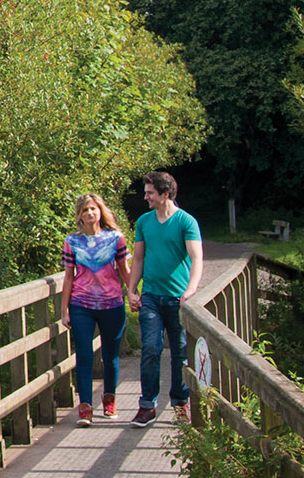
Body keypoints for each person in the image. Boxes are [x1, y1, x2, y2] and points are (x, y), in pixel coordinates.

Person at [126, 169, 203, 427]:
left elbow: (197, 258)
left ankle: (180, 402)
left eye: (150, 193)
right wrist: (131, 289)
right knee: (150, 348)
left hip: (177, 299)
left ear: (165, 194)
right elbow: (138, 258)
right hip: (151, 296)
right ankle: (147, 405)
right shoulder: (144, 222)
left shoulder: (186, 222)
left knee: (180, 352)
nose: (145, 197)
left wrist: (191, 289)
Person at [62, 193, 128, 425]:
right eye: (85, 210)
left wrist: (134, 293)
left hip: (112, 304)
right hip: (81, 304)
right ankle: (85, 408)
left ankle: (109, 400)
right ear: (80, 215)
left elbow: (125, 269)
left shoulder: (115, 238)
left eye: (93, 209)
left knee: (110, 356)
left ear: (100, 211)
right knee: (84, 356)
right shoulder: (72, 241)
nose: (90, 213)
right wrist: (64, 310)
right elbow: (68, 277)